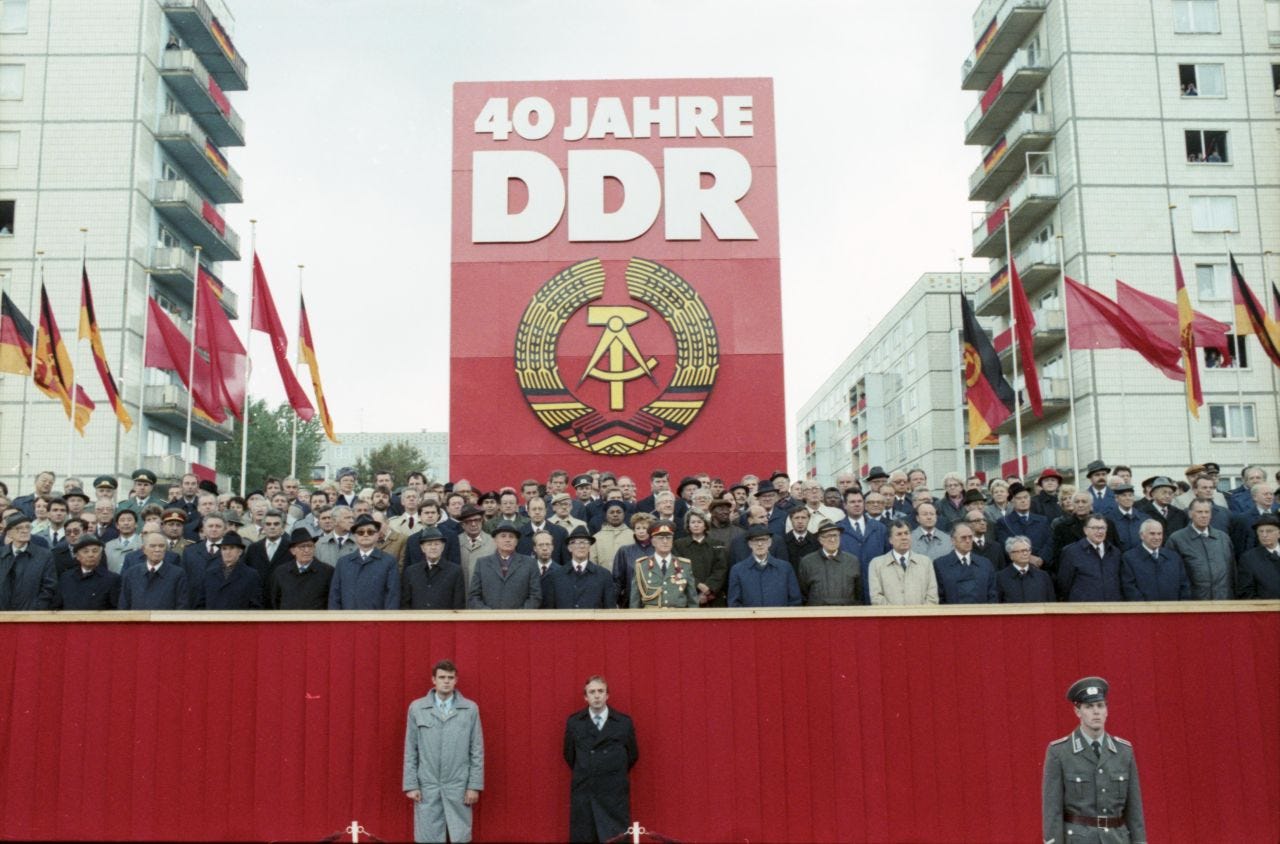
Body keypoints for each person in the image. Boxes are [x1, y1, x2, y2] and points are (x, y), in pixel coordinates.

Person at [1042, 676, 1146, 843]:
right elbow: (1052, 811)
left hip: (1117, 839)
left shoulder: (1123, 752)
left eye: (1100, 705)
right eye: (1089, 707)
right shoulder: (1060, 752)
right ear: (1078, 712)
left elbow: (1134, 810)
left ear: (1107, 710)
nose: (1096, 711)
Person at [403, 660, 484, 843]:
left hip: (459, 785)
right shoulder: (417, 708)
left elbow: (477, 750)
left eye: (450, 677)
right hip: (427, 785)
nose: (446, 681)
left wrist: (474, 786)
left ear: (456, 680)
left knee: (460, 837)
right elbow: (410, 749)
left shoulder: (470, 709)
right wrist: (411, 785)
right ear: (433, 680)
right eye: (442, 677)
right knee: (427, 837)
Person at [563, 675, 639, 843]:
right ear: (585, 697)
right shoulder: (574, 723)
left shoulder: (623, 723)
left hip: (614, 794)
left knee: (614, 838)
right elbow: (569, 755)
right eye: (592, 692)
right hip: (585, 792)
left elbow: (632, 755)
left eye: (600, 691)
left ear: (607, 695)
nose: (596, 696)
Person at [1167, 499, 1235, 600]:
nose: (1204, 515)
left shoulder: (1223, 538)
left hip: (1223, 600)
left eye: (1207, 512)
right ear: (1190, 514)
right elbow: (1171, 575)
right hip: (1193, 602)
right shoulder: (1176, 539)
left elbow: (1232, 570)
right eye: (1199, 512)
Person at [328, 514, 399, 610]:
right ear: (354, 536)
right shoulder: (343, 562)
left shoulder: (389, 561)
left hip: (378, 621)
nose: (365, 534)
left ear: (378, 535)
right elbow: (334, 596)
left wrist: (387, 623)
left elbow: (392, 596)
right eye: (360, 532)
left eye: (370, 532)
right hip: (348, 621)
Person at [467, 521, 539, 609]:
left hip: (519, 620)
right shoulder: (482, 563)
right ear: (495, 540)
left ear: (516, 541)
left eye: (511, 536)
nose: (507, 539)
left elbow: (535, 596)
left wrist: (519, 615)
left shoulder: (530, 563)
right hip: (490, 619)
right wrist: (488, 614)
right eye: (503, 536)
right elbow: (473, 596)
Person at [728, 524, 802, 607]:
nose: (760, 544)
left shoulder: (785, 568)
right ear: (749, 544)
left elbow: (795, 601)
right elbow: (734, 603)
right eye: (755, 540)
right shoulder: (738, 570)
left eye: (763, 540)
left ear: (770, 542)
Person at [630, 521, 699, 608]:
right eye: (660, 538)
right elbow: (635, 599)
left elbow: (692, 599)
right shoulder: (642, 565)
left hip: (678, 616)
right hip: (651, 616)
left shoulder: (684, 565)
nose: (665, 541)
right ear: (653, 541)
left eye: (668, 538)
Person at [868, 521, 939, 605]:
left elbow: (932, 596)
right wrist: (896, 615)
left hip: (920, 616)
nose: (904, 537)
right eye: (899, 534)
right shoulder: (877, 564)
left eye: (906, 533)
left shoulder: (925, 562)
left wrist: (919, 615)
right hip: (890, 617)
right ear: (890, 540)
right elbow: (876, 598)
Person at [545, 526, 617, 609]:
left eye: (585, 542)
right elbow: (549, 611)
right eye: (577, 542)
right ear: (569, 548)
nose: (582, 546)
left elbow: (610, 610)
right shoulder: (556, 576)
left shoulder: (604, 575)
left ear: (590, 547)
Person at [1056, 515, 1124, 602]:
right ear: (1085, 530)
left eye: (1102, 528)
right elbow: (1064, 584)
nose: (1099, 531)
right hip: (1083, 608)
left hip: (1111, 607)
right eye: (1094, 528)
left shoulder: (1115, 553)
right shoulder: (1071, 552)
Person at [1120, 520, 1190, 601]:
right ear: (1142, 535)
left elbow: (1184, 585)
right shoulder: (1129, 558)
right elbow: (1129, 588)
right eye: (1152, 534)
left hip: (1173, 611)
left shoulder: (1174, 557)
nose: (1157, 538)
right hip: (1145, 611)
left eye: (1159, 534)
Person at [0, 513, 57, 610]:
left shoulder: (44, 555)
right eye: (19, 528)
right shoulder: (2, 554)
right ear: (9, 533)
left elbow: (49, 587)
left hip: (31, 615)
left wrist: (37, 608)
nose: (25, 531)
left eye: (28, 527)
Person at [118, 532, 189, 609]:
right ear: (144, 549)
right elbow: (124, 605)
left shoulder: (177, 574)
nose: (157, 549)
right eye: (152, 546)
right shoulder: (131, 574)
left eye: (161, 546)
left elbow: (182, 605)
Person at [401, 527, 466, 610]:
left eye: (437, 544)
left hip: (444, 621)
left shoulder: (455, 571)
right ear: (422, 548)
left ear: (443, 547)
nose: (433, 547)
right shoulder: (411, 572)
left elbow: (458, 604)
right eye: (429, 544)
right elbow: (405, 603)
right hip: (418, 620)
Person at [797, 521, 860, 605]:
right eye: (828, 536)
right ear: (820, 540)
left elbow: (858, 592)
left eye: (835, 535)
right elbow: (803, 592)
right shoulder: (807, 562)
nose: (832, 539)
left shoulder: (852, 561)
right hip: (818, 614)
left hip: (845, 613)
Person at [269, 527, 333, 610]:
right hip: (288, 620)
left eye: (310, 546)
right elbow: (275, 601)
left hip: (315, 621)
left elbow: (331, 601)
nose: (307, 550)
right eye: (302, 547)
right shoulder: (281, 572)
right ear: (293, 551)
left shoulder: (327, 572)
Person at [932, 521, 996, 604]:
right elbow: (940, 596)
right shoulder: (940, 564)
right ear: (953, 540)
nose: (968, 541)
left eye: (970, 537)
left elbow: (992, 595)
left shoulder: (985, 564)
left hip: (981, 614)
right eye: (963, 537)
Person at [674, 508, 727, 607]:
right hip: (688, 596)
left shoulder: (717, 544)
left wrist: (708, 590)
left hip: (713, 597)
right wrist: (698, 585)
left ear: (705, 524)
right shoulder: (679, 545)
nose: (696, 525)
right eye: (693, 522)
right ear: (688, 525)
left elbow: (721, 569)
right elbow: (679, 569)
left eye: (699, 522)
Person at [54, 533, 120, 610]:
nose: (91, 555)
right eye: (85, 551)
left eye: (95, 551)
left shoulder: (112, 579)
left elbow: (115, 611)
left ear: (101, 555)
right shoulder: (66, 578)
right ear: (77, 556)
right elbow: (57, 606)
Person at [996, 536, 1056, 602]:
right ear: (1011, 555)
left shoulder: (1043, 576)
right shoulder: (1000, 578)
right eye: (1021, 551)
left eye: (1027, 550)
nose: (1025, 553)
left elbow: (1051, 602)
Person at [1237, 513, 1280, 599]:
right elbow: (1246, 593)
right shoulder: (1248, 559)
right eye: (1261, 531)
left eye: (1269, 531)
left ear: (1279, 534)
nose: (1264, 535)